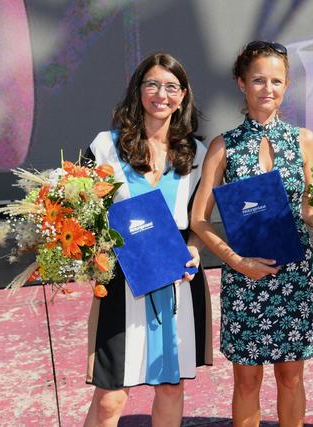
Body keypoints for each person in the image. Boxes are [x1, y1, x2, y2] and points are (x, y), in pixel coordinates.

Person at [191, 41, 313, 426]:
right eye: (258, 80)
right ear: (241, 83)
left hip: (295, 275)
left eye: (276, 81)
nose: (268, 89)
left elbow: (311, 211)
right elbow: (200, 219)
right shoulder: (224, 146)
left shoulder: (305, 141)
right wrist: (237, 262)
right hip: (244, 275)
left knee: (291, 376)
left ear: (286, 86)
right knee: (247, 381)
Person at [83, 52, 212, 427]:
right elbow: (83, 212)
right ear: (138, 90)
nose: (161, 94)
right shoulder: (105, 147)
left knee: (171, 389)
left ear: (183, 95)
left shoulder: (198, 155)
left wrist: (194, 248)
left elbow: (199, 223)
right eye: (152, 84)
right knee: (110, 397)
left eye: (171, 87)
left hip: (177, 287)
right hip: (123, 284)